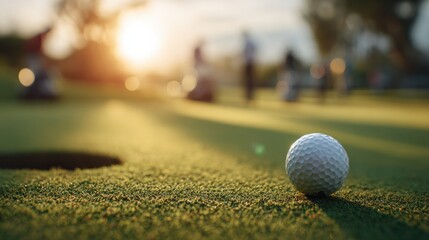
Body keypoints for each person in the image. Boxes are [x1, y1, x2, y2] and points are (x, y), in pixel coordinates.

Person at [21, 27, 58, 100]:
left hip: (31, 57)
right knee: (33, 76)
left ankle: (33, 93)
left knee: (36, 75)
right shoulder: (40, 37)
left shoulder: (39, 36)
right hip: (32, 57)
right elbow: (40, 52)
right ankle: (28, 94)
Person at [242, 31, 257, 104]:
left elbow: (244, 52)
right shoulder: (250, 42)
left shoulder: (247, 42)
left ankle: (249, 97)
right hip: (250, 63)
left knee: (249, 80)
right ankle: (249, 96)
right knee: (249, 80)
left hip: (249, 63)